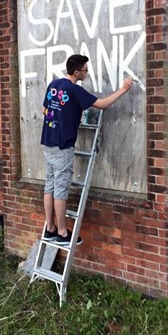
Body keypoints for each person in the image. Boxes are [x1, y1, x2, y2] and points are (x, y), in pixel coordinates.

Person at [40, 54, 133, 247]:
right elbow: (102, 105)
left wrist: (61, 117)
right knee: (61, 188)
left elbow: (44, 111)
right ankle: (63, 233)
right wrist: (123, 90)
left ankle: (50, 229)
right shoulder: (74, 90)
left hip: (48, 143)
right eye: (85, 70)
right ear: (76, 72)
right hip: (63, 146)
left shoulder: (53, 85)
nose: (87, 73)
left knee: (49, 186)